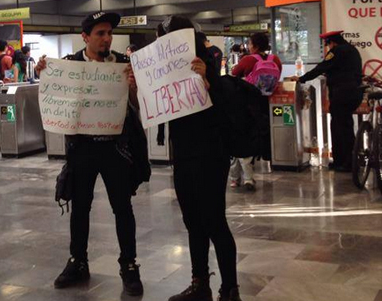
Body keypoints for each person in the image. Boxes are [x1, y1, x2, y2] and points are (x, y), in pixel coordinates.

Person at [34, 11, 149, 297]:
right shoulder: (70, 65)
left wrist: (134, 88)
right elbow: (56, 98)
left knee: (123, 208)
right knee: (80, 207)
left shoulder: (122, 64)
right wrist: (44, 75)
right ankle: (78, 261)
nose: (107, 39)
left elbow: (137, 104)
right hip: (82, 149)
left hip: (116, 150)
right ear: (85, 37)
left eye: (109, 33)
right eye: (100, 33)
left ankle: (129, 264)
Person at [146, 16, 242, 301]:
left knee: (214, 221)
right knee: (192, 220)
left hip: (211, 155)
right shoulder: (165, 71)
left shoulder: (209, 68)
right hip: (183, 154)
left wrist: (208, 82)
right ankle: (200, 283)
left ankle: (230, 289)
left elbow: (225, 113)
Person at [291, 31, 363, 172]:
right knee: (345, 127)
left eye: (328, 44)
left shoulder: (337, 50)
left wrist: (301, 78)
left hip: (342, 94)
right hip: (353, 93)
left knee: (340, 128)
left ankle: (345, 163)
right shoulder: (352, 50)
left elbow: (322, 67)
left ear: (332, 42)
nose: (328, 48)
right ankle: (348, 161)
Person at [230, 33, 282, 191]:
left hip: (250, 103)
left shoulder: (249, 59)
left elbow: (234, 74)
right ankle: (269, 158)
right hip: (269, 100)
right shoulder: (275, 59)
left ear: (256, 46)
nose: (249, 46)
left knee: (248, 134)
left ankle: (243, 172)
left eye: (250, 43)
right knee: (266, 130)